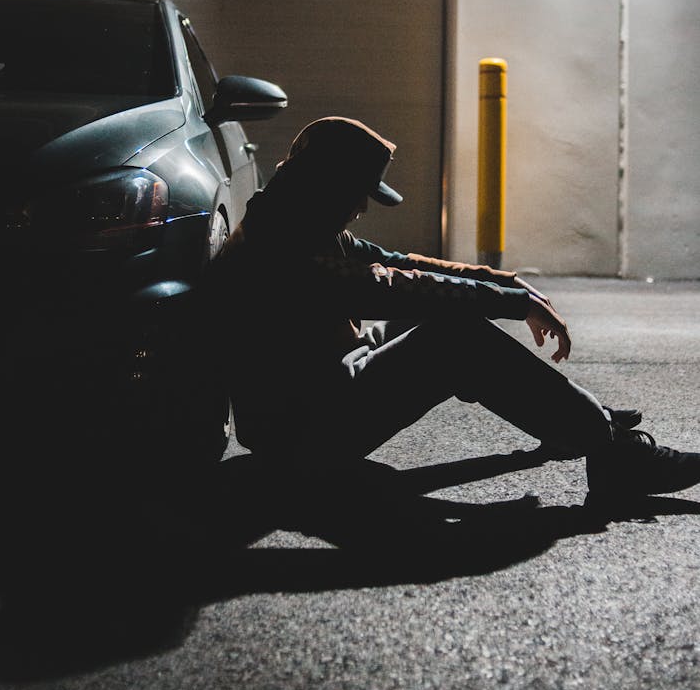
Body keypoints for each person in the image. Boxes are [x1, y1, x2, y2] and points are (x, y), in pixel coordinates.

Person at [206, 116, 700, 511]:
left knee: (433, 323)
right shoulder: (280, 249)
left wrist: (502, 281)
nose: (362, 208)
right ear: (330, 187)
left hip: (314, 398)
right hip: (301, 437)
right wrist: (509, 303)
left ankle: (587, 421)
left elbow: (397, 262)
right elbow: (393, 287)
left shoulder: (291, 220)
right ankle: (611, 449)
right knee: (455, 338)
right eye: (360, 194)